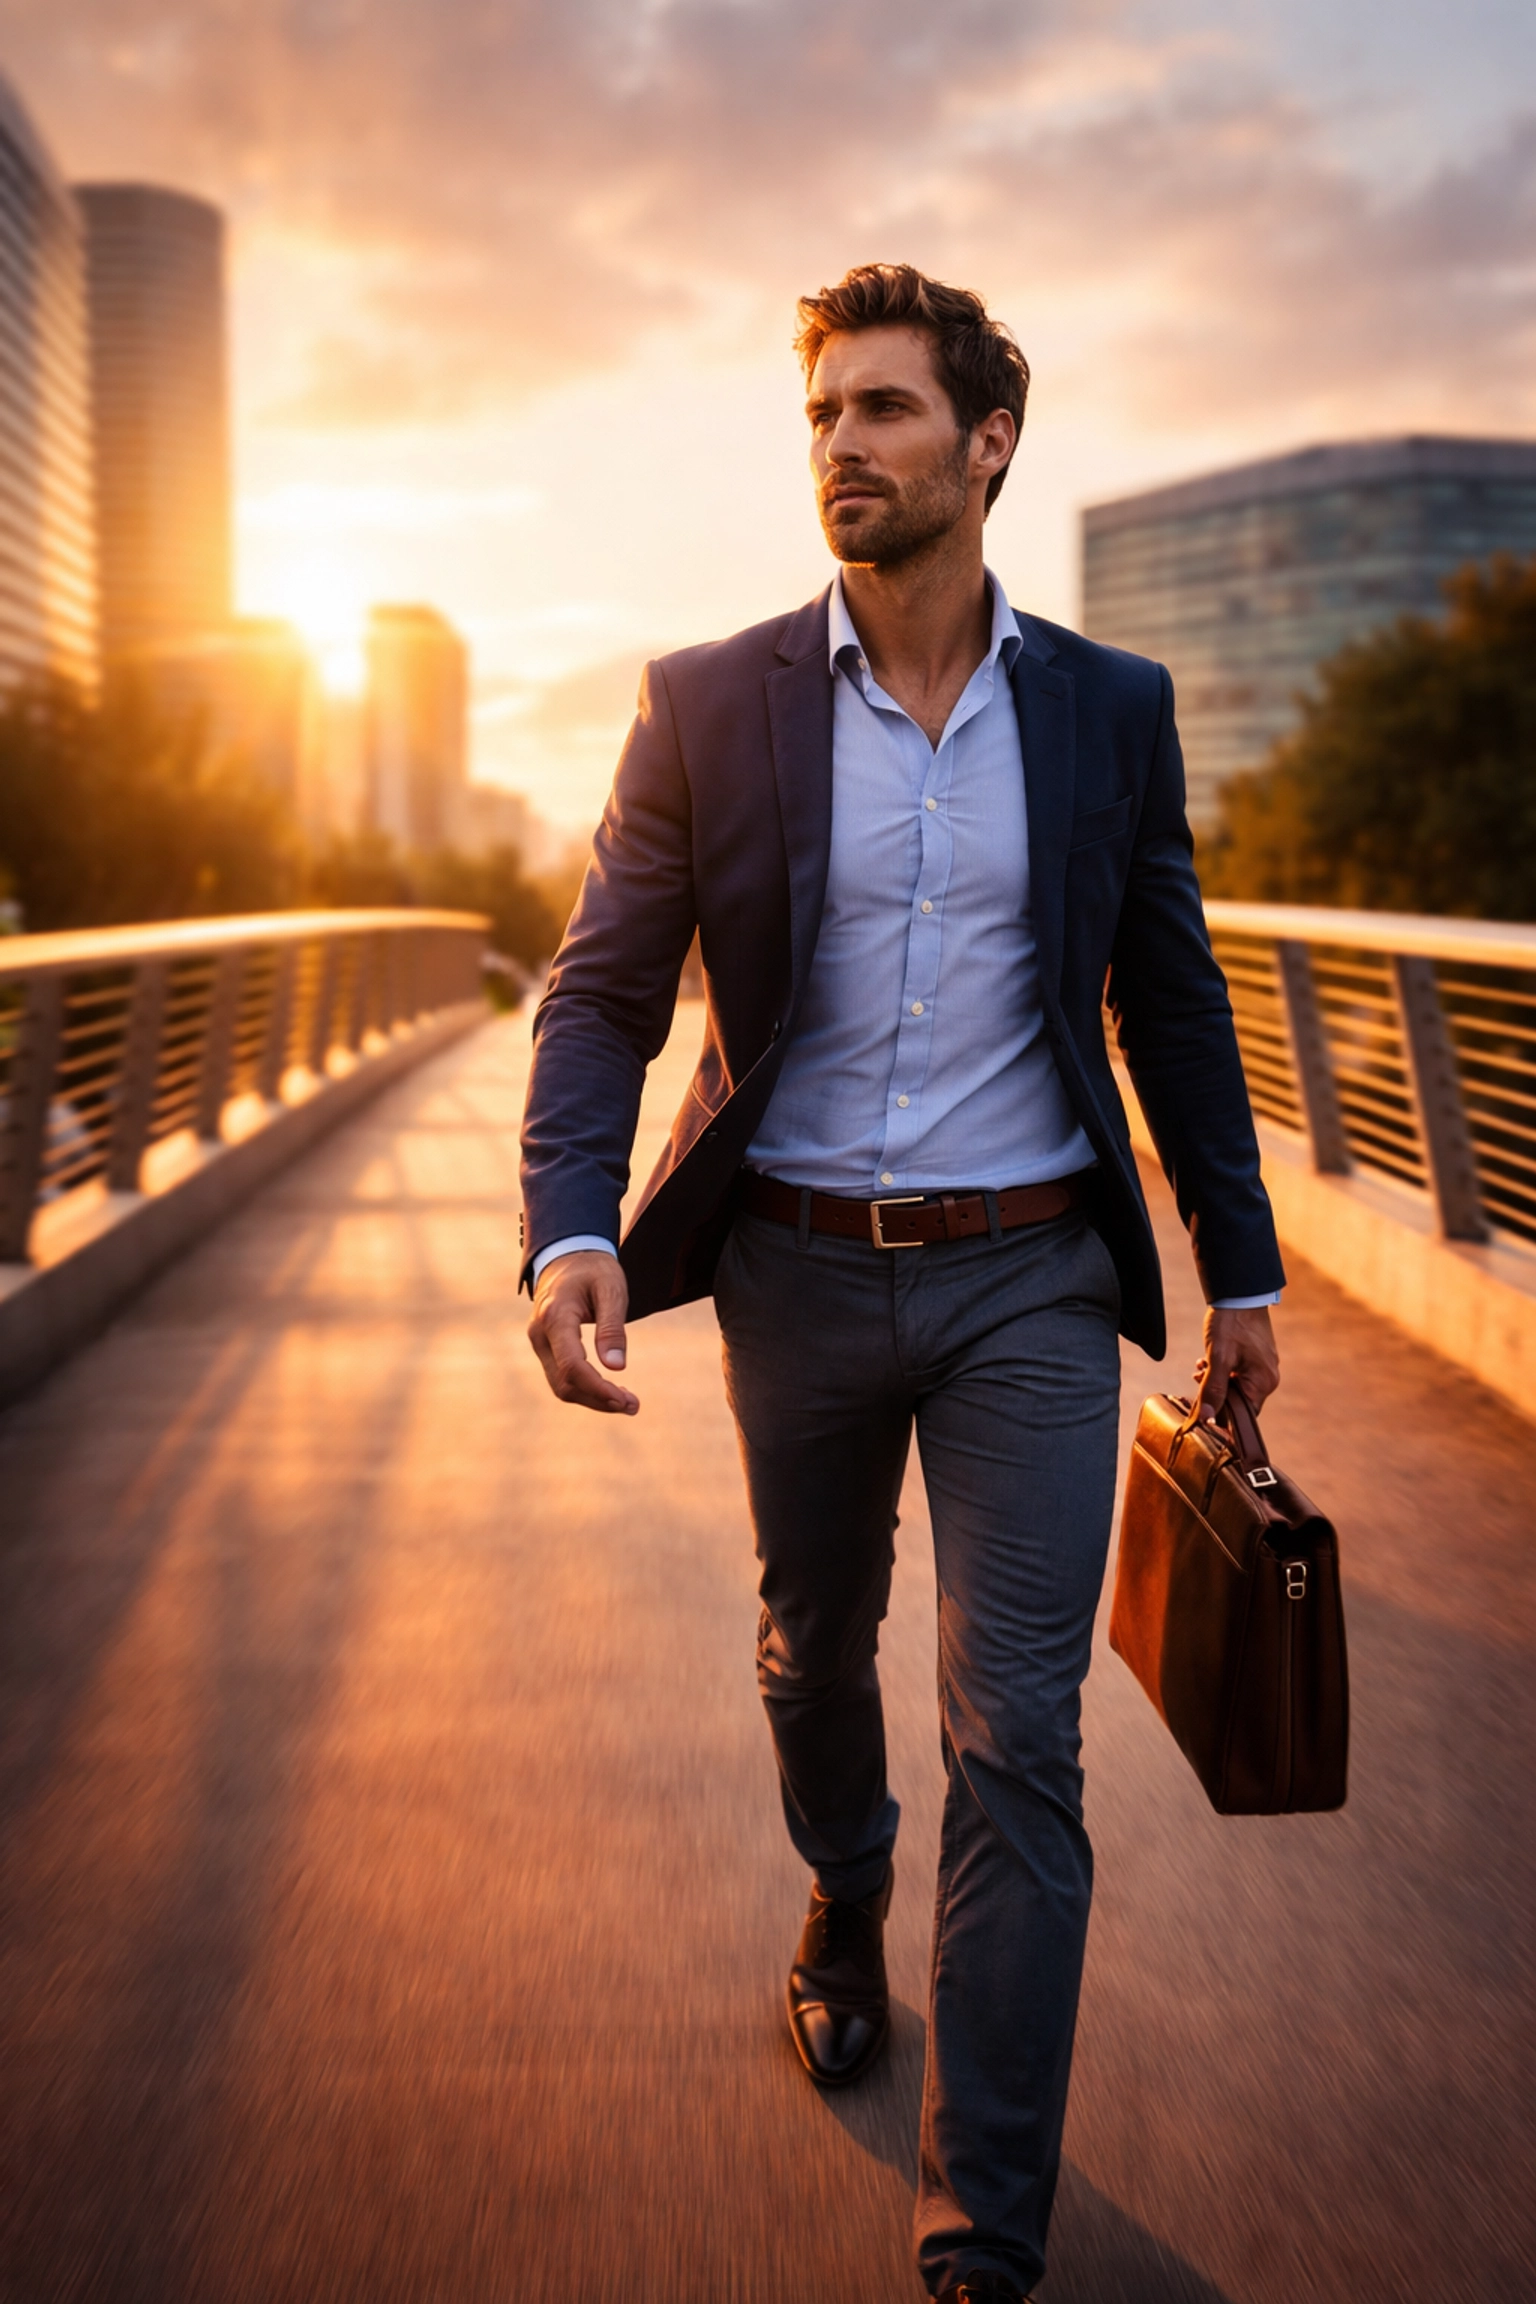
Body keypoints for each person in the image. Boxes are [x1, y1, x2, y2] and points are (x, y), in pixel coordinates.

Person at [519, 262, 1283, 2304]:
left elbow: (1174, 997)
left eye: (884, 410)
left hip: (1033, 1278)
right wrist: (574, 1223)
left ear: (987, 444)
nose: (842, 446)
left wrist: (1242, 1266)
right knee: (811, 1649)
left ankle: (982, 2229)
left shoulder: (1109, 710)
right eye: (821, 416)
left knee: (1020, 1737)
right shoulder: (710, 702)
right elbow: (600, 991)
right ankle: (846, 1890)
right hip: (792, 1273)